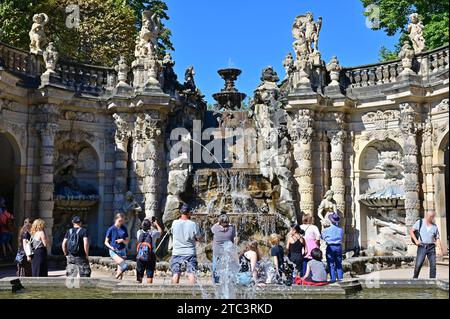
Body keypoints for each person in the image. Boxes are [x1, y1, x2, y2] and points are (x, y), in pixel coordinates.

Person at [171, 204, 202, 285]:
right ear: (189, 213)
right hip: (190, 253)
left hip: (177, 252)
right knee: (191, 273)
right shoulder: (193, 224)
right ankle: (193, 294)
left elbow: (172, 233)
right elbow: (199, 238)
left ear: (181, 212)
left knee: (176, 273)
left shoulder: (174, 223)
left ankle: (173, 292)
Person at [410, 210, 443, 279]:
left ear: (433, 217)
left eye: (431, 216)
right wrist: (416, 241)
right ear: (426, 215)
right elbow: (411, 231)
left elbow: (437, 238)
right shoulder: (420, 222)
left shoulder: (435, 226)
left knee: (433, 265)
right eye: (428, 216)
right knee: (418, 264)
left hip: (431, 247)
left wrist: (440, 249)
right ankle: (415, 278)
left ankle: (432, 281)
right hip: (422, 246)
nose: (429, 218)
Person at [211, 212, 236, 284]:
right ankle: (229, 281)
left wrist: (219, 222)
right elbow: (233, 237)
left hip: (217, 251)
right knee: (228, 266)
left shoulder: (215, 228)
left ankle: (216, 281)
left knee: (215, 266)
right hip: (227, 251)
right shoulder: (231, 229)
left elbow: (212, 228)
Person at [136, 218, 162, 284]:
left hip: (140, 255)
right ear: (150, 226)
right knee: (149, 275)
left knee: (139, 274)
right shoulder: (153, 233)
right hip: (151, 256)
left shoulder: (138, 232)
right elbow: (160, 232)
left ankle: (138, 289)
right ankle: (149, 289)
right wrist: (156, 224)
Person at [105, 213, 129, 280]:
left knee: (121, 271)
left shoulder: (124, 228)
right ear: (115, 219)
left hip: (122, 250)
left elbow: (127, 241)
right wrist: (111, 247)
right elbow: (106, 242)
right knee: (124, 265)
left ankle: (117, 283)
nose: (121, 222)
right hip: (113, 251)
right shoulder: (111, 229)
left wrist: (122, 240)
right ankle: (114, 278)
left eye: (122, 221)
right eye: (119, 221)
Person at [321, 213, 344, 282]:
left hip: (330, 246)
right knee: (339, 264)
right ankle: (340, 279)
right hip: (338, 247)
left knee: (330, 263)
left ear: (330, 220)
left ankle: (333, 279)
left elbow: (322, 237)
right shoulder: (340, 229)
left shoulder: (326, 230)